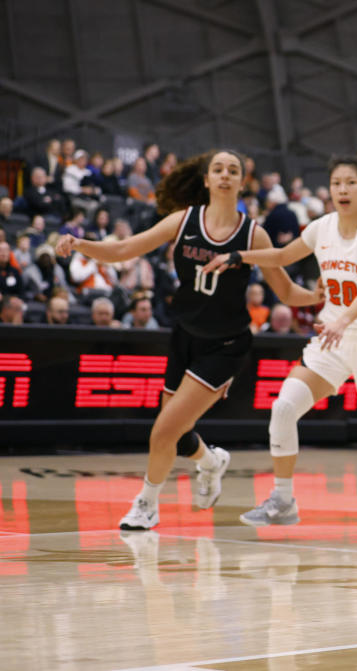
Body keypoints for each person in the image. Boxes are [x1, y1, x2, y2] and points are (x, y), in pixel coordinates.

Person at [56, 149, 321, 531]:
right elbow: (123, 249)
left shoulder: (253, 234)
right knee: (177, 438)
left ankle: (146, 504)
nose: (226, 175)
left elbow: (287, 291)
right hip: (185, 337)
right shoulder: (183, 222)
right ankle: (211, 462)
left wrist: (319, 296)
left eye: (234, 170)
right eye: (219, 169)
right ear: (207, 180)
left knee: (163, 429)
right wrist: (81, 244)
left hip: (225, 345)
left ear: (242, 182)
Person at [204, 131, 357, 538]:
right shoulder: (322, 227)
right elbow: (281, 256)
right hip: (333, 340)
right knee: (283, 408)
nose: (342, 189)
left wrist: (342, 320)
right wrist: (238, 256)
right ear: (329, 191)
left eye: (350, 183)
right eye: (336, 183)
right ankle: (283, 500)